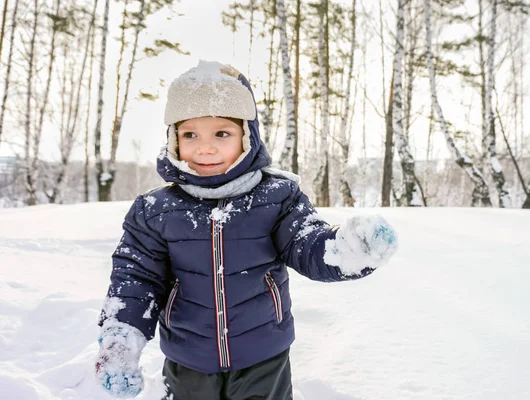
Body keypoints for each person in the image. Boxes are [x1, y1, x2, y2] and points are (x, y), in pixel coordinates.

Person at [94, 60, 398, 400]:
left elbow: (309, 245)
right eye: (190, 134)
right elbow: (136, 279)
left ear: (247, 137)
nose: (205, 147)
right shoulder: (154, 210)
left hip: (263, 355)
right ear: (173, 138)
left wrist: (349, 248)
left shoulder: (278, 197)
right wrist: (121, 341)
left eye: (221, 133)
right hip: (187, 357)